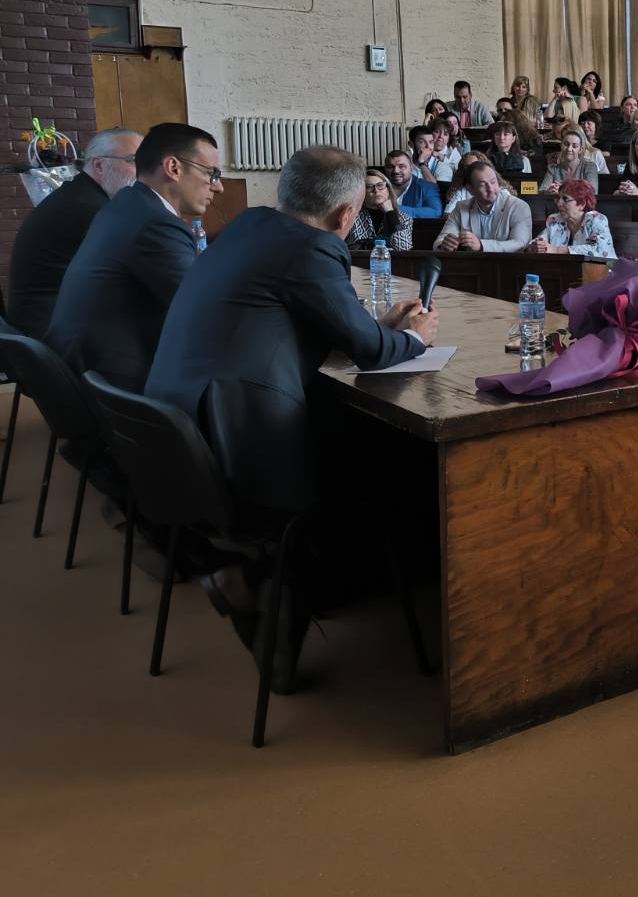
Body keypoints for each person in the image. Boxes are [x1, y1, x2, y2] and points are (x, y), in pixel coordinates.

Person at [144, 146, 437, 688]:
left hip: (175, 424)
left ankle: (243, 579)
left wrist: (377, 328)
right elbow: (369, 352)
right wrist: (413, 338)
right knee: (384, 465)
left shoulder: (251, 224)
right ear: (346, 215)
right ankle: (267, 611)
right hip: (234, 438)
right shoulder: (314, 247)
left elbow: (307, 316)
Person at [46, 123, 221, 393]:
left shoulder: (126, 204)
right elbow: (202, 309)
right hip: (112, 386)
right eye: (211, 173)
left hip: (81, 370)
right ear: (173, 168)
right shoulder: (156, 223)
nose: (218, 187)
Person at [6, 127, 141, 337]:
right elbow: (137, 275)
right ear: (99, 165)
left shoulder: (80, 196)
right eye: (133, 161)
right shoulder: (87, 208)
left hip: (50, 327)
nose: (143, 172)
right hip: (52, 335)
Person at [433, 160, 534, 252]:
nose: (490, 189)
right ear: (470, 190)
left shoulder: (518, 206)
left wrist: (481, 245)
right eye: (482, 185)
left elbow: (520, 244)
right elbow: (440, 241)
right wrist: (444, 245)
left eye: (493, 182)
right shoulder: (461, 207)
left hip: (507, 264)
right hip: (471, 264)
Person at [534, 179, 614, 257]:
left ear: (582, 204)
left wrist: (557, 250)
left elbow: (599, 250)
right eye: (558, 199)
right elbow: (538, 242)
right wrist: (535, 247)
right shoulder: (555, 220)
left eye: (565, 199)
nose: (559, 203)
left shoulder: (597, 219)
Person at [346, 168, 414, 250]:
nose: (376, 190)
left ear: (388, 190)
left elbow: (403, 248)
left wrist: (390, 213)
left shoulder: (404, 218)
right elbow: (349, 247)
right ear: (362, 193)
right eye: (369, 187)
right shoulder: (352, 216)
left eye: (380, 185)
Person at [386, 149, 442, 218]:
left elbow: (435, 212)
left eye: (402, 167)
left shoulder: (428, 187)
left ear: (411, 168)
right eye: (390, 167)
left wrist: (395, 209)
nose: (396, 171)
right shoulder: (378, 187)